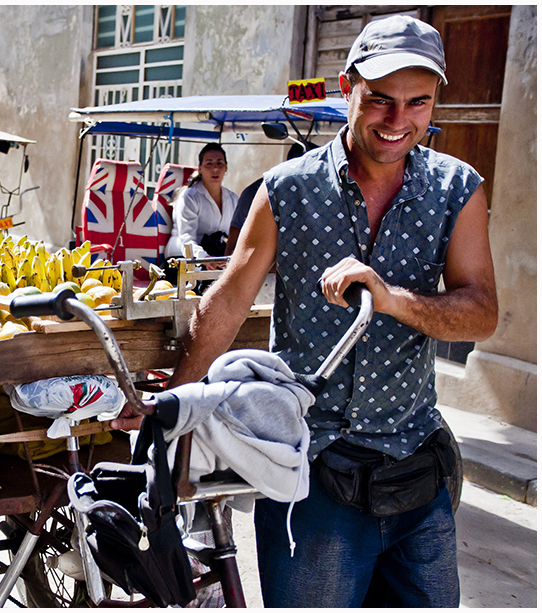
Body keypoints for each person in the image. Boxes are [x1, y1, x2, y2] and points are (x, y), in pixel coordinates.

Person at [113, 15, 497, 607]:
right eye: (379, 100)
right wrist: (175, 404)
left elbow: (480, 313)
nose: (398, 121)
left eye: (417, 102)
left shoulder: (456, 188)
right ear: (347, 87)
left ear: (434, 100)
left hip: (417, 472)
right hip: (310, 474)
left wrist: (391, 299)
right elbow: (229, 302)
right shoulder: (286, 190)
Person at [163, 142, 238, 287]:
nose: (215, 168)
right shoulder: (189, 197)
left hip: (216, 257)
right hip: (182, 259)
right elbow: (186, 238)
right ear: (200, 168)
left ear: (226, 167)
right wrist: (204, 258)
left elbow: (236, 234)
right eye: (209, 163)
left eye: (219, 163)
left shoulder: (233, 198)